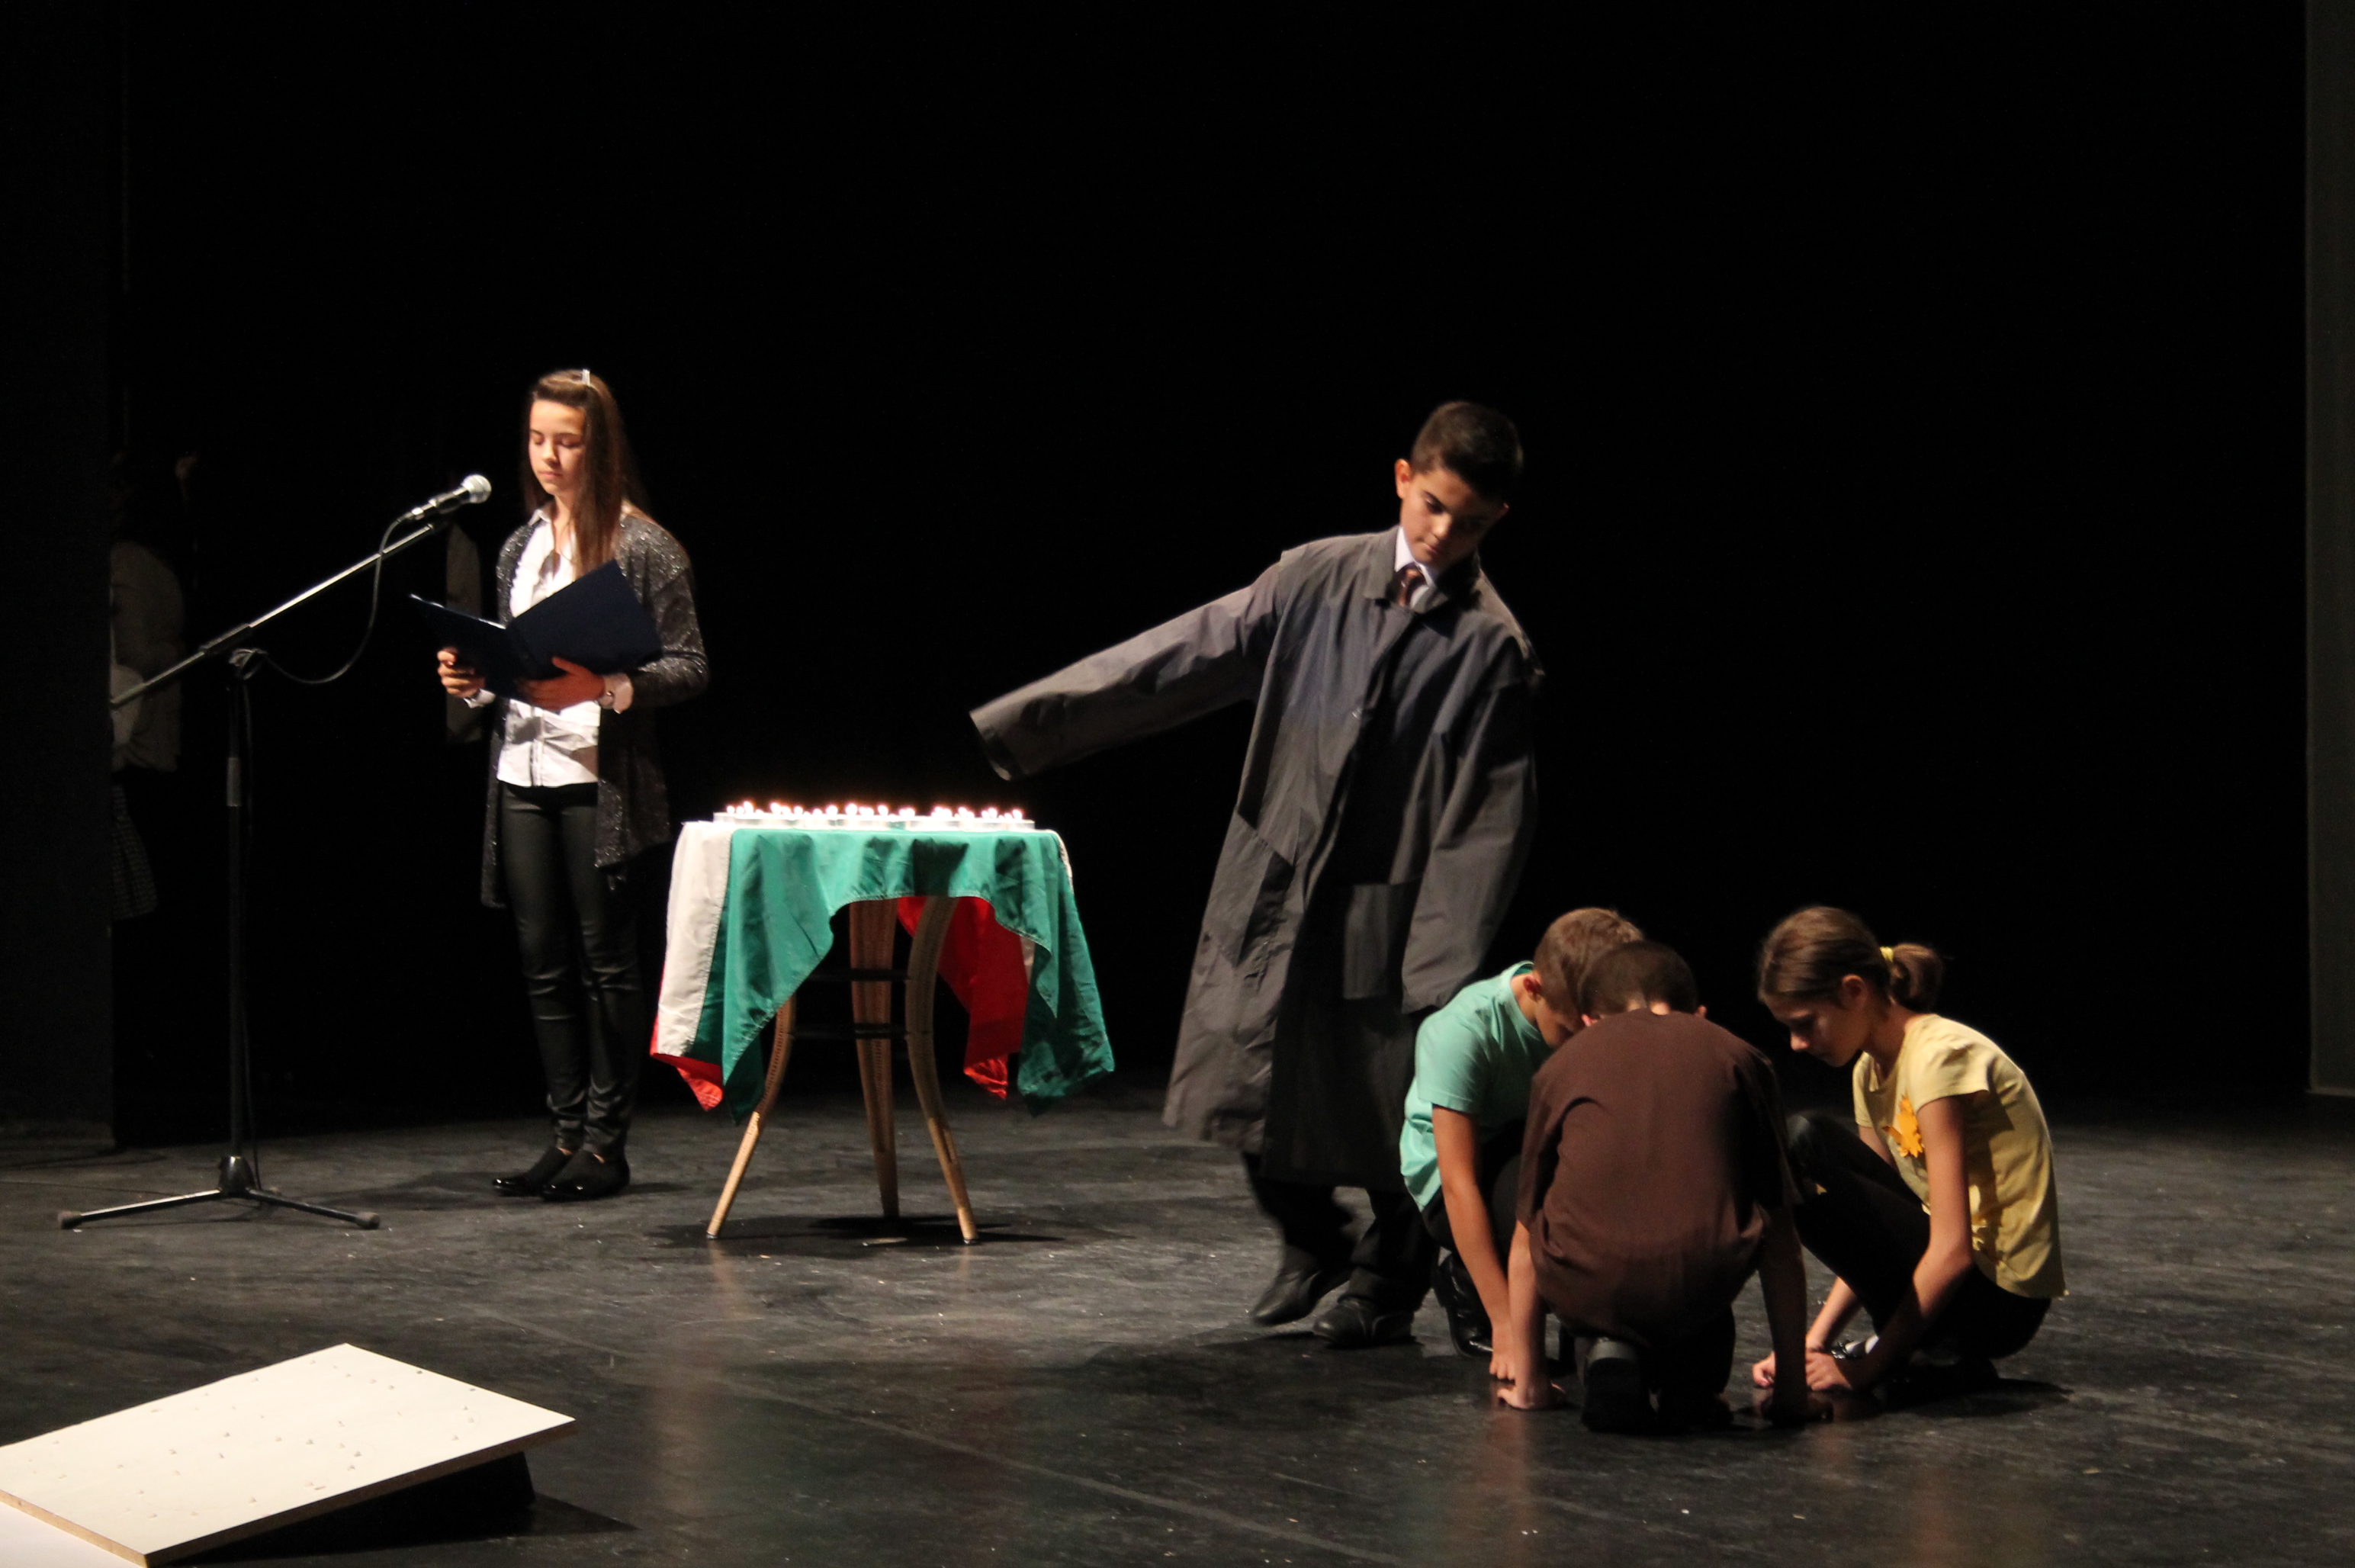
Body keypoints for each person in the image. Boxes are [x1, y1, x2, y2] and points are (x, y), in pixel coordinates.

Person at [972, 402, 1540, 1346]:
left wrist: (1438, 968)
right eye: (1435, 506)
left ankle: (1384, 1285)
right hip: (1276, 880)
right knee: (1236, 1077)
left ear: (1498, 521)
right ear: (1403, 478)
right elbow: (1183, 653)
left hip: (1390, 904)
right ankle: (1312, 1236)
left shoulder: (1490, 645)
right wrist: (1038, 719)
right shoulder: (1316, 575)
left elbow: (1488, 822)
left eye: (1472, 523)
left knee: (1388, 1109)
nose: (1445, 534)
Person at [437, 369, 708, 1202]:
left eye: (567, 441)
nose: (548, 456)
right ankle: (563, 1134)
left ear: (601, 448)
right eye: (536, 439)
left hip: (597, 777)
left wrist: (606, 687)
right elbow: (514, 663)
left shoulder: (644, 546)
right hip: (521, 770)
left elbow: (690, 665)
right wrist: (472, 680)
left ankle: (605, 1143)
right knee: (542, 962)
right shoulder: (519, 545)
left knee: (606, 962)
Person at [1499, 941, 1822, 1431]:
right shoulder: (1739, 1055)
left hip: (1590, 1281)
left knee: (1570, 1243)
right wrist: (1792, 1396)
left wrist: (1530, 1384)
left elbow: (1525, 1239)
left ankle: (1607, 1351)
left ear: (1589, 1020)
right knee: (1699, 1284)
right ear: (1699, 1014)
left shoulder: (1563, 1064)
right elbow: (1780, 1237)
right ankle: (1693, 1378)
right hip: (1699, 1283)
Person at [1749, 906, 2065, 1404]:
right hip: (1957, 1288)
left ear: (1854, 991)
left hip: (1998, 1304)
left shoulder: (1938, 1057)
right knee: (1801, 1147)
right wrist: (1812, 1343)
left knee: (1805, 1140)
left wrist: (1867, 1370)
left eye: (1806, 1023)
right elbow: (1868, 1224)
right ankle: (1934, 1354)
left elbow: (1953, 1250)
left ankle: (1924, 1349)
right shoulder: (1869, 1071)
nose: (1797, 1044)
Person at [1399, 907, 1640, 1367]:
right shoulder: (1462, 1031)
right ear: (1534, 987)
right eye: (1569, 1029)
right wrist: (1507, 1324)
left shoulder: (1597, 1018)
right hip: (1462, 1170)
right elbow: (1458, 1184)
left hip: (1538, 1144)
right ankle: (1469, 1283)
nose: (1581, 1044)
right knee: (1553, 1231)